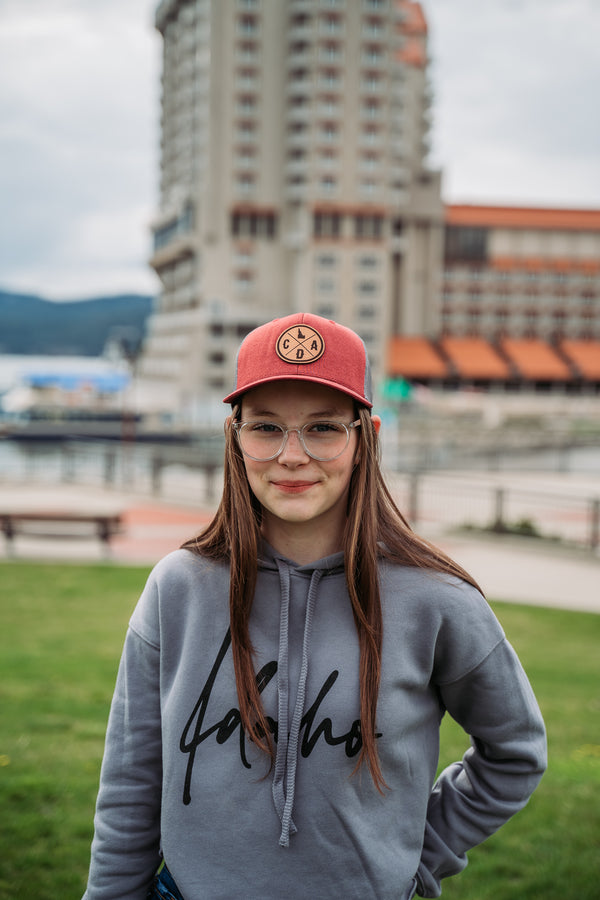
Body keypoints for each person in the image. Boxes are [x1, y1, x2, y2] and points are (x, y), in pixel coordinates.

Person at [83, 313, 546, 900]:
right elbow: (130, 782)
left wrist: (413, 856)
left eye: (323, 428)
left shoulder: (438, 600)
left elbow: (515, 753)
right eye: (267, 428)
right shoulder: (178, 588)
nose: (292, 456)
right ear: (235, 435)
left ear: (366, 435)